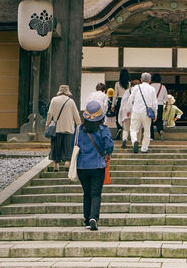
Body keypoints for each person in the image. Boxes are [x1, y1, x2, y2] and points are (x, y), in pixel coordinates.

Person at [74, 99, 114, 231]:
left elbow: (73, 145)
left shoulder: (79, 129)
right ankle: (94, 217)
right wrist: (107, 152)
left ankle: (86, 219)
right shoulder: (103, 129)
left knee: (86, 193)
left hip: (81, 165)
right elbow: (109, 144)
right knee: (96, 193)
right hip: (97, 165)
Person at [46, 85, 81, 170]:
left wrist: (47, 123)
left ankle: (56, 165)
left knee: (56, 147)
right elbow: (76, 114)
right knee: (68, 147)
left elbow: (50, 113)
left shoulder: (54, 100)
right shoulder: (71, 101)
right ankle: (67, 163)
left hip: (57, 128)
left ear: (59, 91)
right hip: (69, 128)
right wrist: (79, 124)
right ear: (67, 92)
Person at [128, 72, 158, 153]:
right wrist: (155, 113)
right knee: (147, 131)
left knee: (133, 129)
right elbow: (154, 103)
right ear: (150, 80)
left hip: (136, 111)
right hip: (147, 113)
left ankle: (134, 141)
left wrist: (129, 110)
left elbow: (130, 99)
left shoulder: (136, 88)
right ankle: (144, 148)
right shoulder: (152, 89)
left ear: (141, 80)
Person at [112, 69, 130, 138]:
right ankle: (125, 131)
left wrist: (113, 105)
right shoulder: (129, 83)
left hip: (119, 100)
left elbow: (114, 95)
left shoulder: (117, 83)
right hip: (127, 101)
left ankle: (119, 128)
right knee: (126, 116)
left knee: (118, 116)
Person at [151, 72, 168, 138]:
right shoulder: (163, 87)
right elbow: (166, 98)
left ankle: (151, 136)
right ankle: (160, 130)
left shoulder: (150, 86)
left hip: (152, 105)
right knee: (159, 119)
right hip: (160, 105)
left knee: (150, 121)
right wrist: (166, 106)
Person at [117, 83, 133, 148]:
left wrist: (121, 113)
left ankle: (124, 139)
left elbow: (122, 103)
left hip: (126, 112)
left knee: (126, 128)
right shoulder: (139, 91)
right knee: (135, 129)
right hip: (135, 112)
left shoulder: (127, 91)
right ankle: (135, 142)